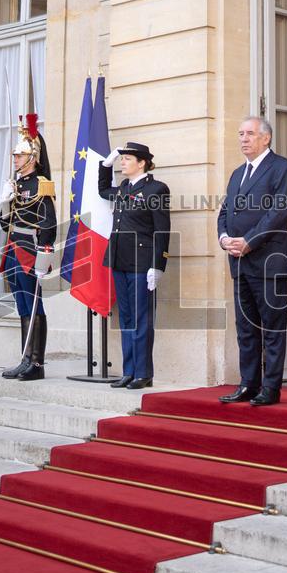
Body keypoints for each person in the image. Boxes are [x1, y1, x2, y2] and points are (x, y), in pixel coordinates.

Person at [217, 116, 287, 406]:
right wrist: (224, 238)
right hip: (240, 263)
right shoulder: (238, 173)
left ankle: (270, 388)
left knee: (272, 329)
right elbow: (225, 212)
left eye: (249, 133)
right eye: (240, 134)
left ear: (266, 138)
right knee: (246, 329)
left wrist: (249, 241)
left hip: (269, 262)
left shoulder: (281, 167)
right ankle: (248, 385)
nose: (243, 139)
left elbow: (279, 211)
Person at [99, 142, 171, 389]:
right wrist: (105, 165)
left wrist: (158, 264)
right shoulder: (123, 188)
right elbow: (102, 190)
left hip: (142, 263)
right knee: (126, 318)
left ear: (142, 163)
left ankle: (143, 373)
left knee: (142, 320)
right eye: (122, 159)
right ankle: (128, 371)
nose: (122, 162)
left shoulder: (156, 189)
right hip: (120, 259)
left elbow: (162, 229)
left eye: (127, 159)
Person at [0, 114, 56, 382]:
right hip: (13, 247)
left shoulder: (41, 185)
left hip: (30, 249)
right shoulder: (16, 184)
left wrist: (44, 257)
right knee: (22, 304)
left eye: (19, 155)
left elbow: (49, 223)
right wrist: (4, 203)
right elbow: (5, 224)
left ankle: (37, 363)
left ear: (32, 157)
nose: (15, 159)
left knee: (34, 304)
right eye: (15, 155)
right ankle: (25, 358)